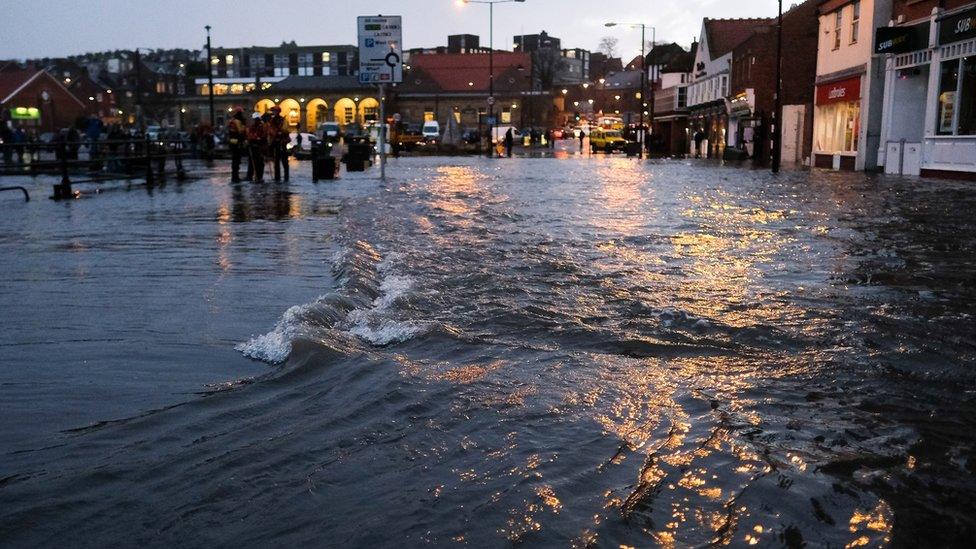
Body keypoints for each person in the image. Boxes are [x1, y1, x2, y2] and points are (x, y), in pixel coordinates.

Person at [267, 106, 289, 182]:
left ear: (278, 111)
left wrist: (280, 132)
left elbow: (285, 130)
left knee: (284, 161)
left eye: (274, 111)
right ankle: (277, 177)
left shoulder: (283, 120)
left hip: (282, 143)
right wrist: (273, 133)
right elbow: (270, 131)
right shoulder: (271, 121)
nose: (273, 112)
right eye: (273, 111)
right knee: (276, 162)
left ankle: (286, 177)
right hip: (275, 143)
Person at [227, 108, 246, 182]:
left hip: (232, 142)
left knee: (235, 160)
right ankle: (235, 177)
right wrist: (244, 125)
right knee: (236, 160)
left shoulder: (231, 121)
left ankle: (234, 176)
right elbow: (241, 131)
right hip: (237, 142)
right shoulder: (237, 121)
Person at [246, 112, 267, 183]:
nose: (256, 121)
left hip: (260, 147)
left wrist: (259, 139)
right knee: (252, 163)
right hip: (253, 147)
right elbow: (249, 136)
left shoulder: (262, 127)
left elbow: (264, 136)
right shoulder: (252, 127)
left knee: (260, 163)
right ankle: (250, 176)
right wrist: (253, 139)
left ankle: (259, 176)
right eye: (255, 119)